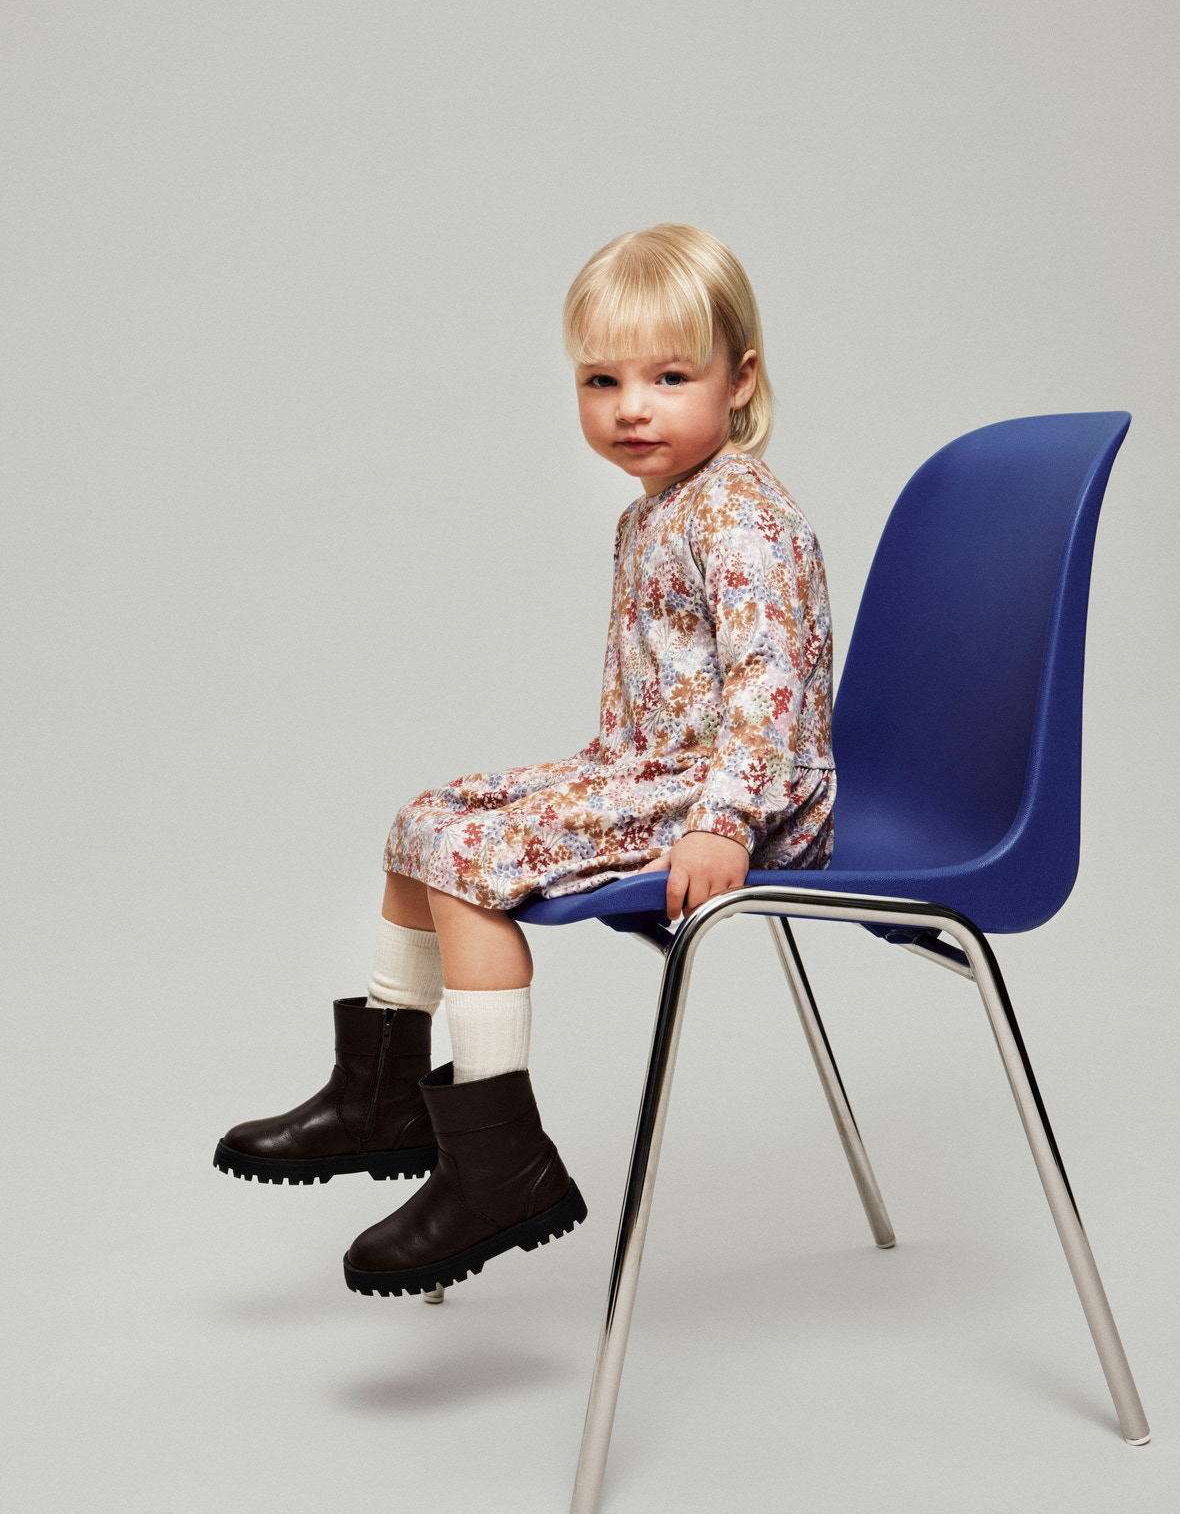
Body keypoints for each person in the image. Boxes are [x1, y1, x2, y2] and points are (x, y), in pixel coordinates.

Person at [214, 223, 836, 1298]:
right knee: (424, 821)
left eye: (670, 377)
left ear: (740, 382)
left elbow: (768, 692)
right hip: (652, 770)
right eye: (602, 381)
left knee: (471, 860)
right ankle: (380, 1097)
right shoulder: (656, 512)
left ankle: (501, 1164)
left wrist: (725, 821)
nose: (631, 407)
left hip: (736, 794)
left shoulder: (738, 513)